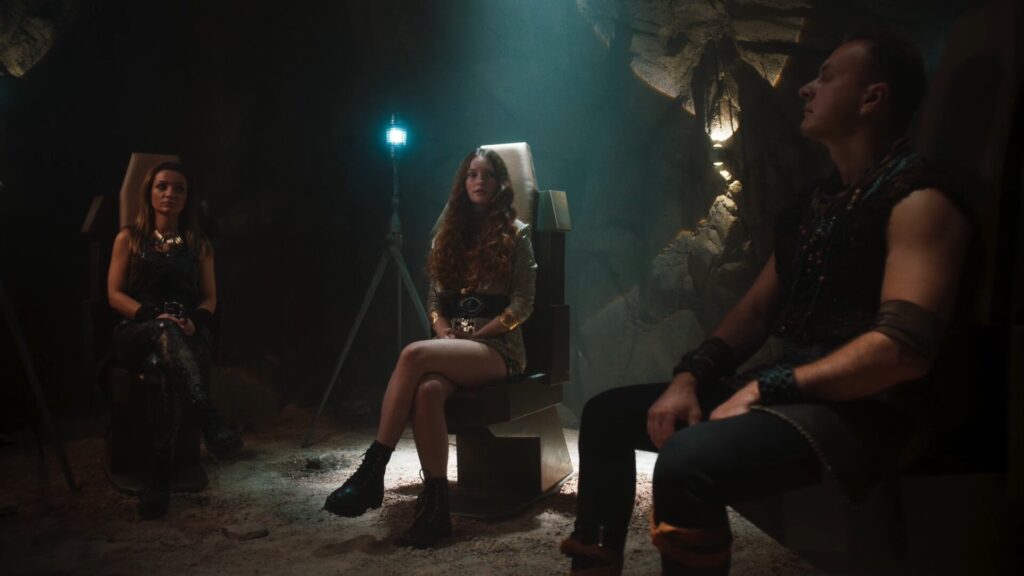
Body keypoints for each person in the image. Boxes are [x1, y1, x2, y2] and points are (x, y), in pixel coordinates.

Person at [560, 32, 972, 575]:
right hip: (795, 390)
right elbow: (754, 314)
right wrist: (689, 377)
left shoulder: (919, 201)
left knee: (687, 460)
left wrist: (765, 387)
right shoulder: (815, 205)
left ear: (872, 98)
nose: (805, 88)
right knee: (607, 415)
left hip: (868, 410)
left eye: (826, 77)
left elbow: (903, 351)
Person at [323, 148, 537, 548]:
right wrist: (441, 331)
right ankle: (437, 509)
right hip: (453, 345)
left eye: (487, 176)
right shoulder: (448, 234)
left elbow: (523, 304)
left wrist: (480, 335)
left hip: (497, 348)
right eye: (471, 174)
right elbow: (436, 298)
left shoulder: (516, 233)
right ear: (462, 183)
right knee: (427, 391)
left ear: (499, 184)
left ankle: (373, 471)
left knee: (412, 354)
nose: (478, 182)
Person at [107, 161, 243, 520]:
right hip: (138, 330)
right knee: (159, 337)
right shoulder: (129, 237)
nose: (170, 194)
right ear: (150, 193)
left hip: (184, 332)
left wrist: (193, 322)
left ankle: (159, 477)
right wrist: (154, 317)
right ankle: (208, 416)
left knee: (160, 369)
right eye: (162, 187)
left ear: (187, 197)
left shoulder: (198, 243)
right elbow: (114, 294)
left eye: (178, 188)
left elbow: (210, 298)